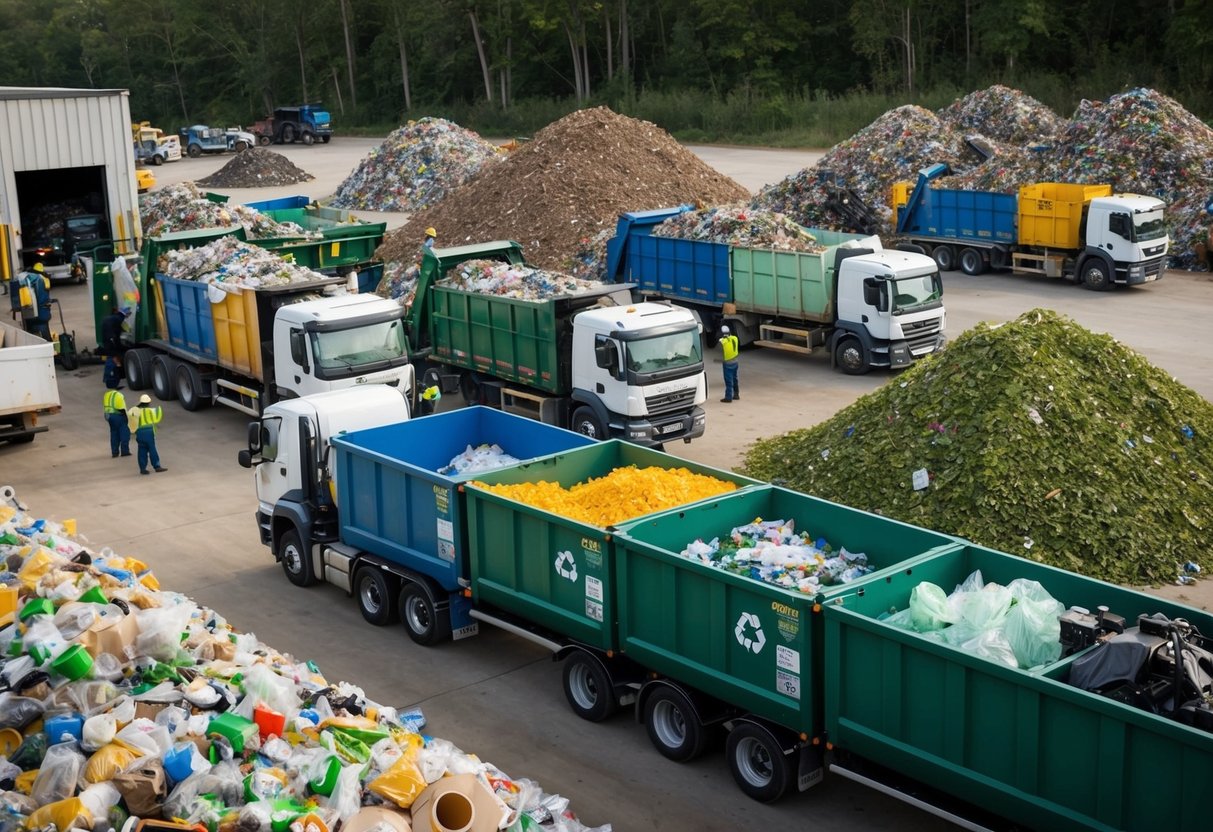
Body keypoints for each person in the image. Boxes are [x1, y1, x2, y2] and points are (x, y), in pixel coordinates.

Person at [11, 263, 53, 340]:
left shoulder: (24, 278)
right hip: (41, 314)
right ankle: (49, 347)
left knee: (31, 334)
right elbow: (43, 300)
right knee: (44, 335)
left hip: (28, 313)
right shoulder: (40, 279)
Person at [129, 394, 167, 475]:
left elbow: (130, 418)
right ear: (148, 403)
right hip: (149, 432)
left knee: (141, 450)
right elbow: (157, 419)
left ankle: (143, 469)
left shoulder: (135, 411)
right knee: (152, 449)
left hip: (139, 432)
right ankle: (157, 466)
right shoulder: (151, 411)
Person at [103, 379, 131, 458]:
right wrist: (127, 418)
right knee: (124, 433)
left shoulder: (106, 395)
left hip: (109, 416)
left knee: (114, 433)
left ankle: (114, 452)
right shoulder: (119, 395)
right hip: (118, 416)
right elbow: (121, 408)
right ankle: (125, 451)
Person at [719, 325, 740, 403]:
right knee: (735, 379)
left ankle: (728, 397)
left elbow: (720, 343)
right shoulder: (735, 338)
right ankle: (736, 394)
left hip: (727, 364)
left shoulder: (722, 342)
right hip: (735, 362)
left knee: (728, 381)